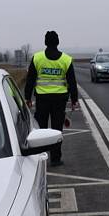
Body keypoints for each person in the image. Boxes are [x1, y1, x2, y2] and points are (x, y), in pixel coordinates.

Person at [24, 30, 78, 166]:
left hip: (42, 99)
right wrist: (74, 99)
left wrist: (27, 97)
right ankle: (55, 158)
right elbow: (72, 81)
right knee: (56, 129)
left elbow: (30, 80)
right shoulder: (66, 59)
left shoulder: (37, 58)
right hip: (60, 100)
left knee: (41, 129)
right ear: (58, 42)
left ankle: (40, 157)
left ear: (45, 42)